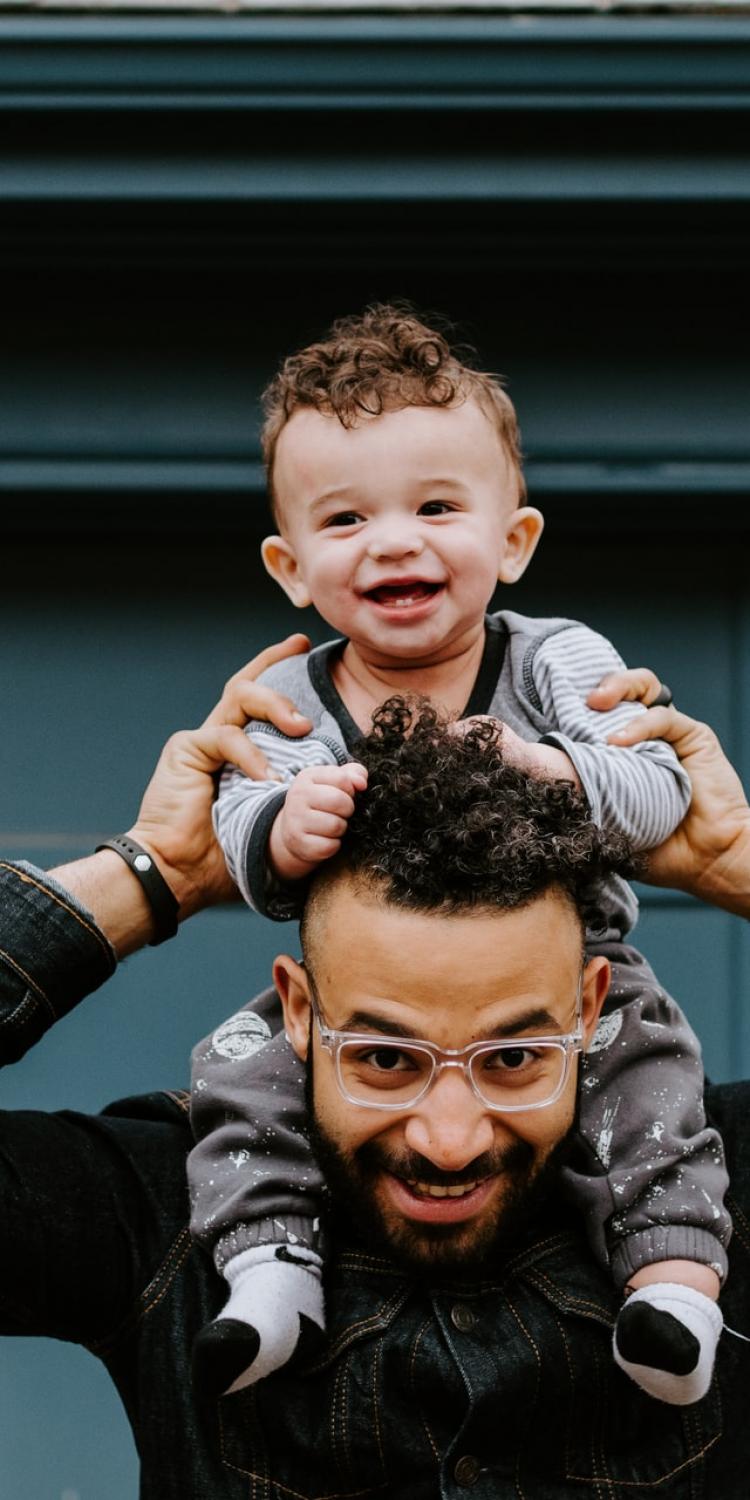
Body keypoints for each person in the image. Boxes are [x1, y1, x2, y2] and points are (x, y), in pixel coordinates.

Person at [1, 659, 750, 1500]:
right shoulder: (163, 1210)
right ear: (296, 1009)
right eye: (386, 1059)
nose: (450, 1141)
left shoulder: (714, 1188)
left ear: (588, 1007)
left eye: (512, 1059)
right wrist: (153, 876)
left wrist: (735, 862)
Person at [189, 304, 728, 1404]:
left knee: (654, 1075)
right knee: (237, 1072)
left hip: (586, 967)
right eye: (346, 522)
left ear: (514, 541)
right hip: (360, 996)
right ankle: (269, 1269)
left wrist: (552, 769)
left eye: (437, 507)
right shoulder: (289, 695)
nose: (394, 540)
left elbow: (656, 787)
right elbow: (240, 830)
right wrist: (277, 830)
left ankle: (672, 1284)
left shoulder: (556, 661)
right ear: (292, 569)